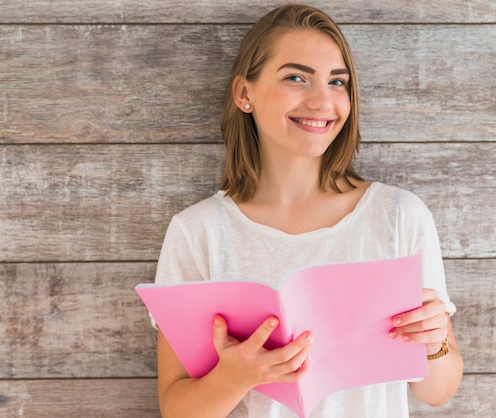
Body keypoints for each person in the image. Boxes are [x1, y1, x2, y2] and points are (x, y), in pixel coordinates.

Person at [153, 4, 463, 417]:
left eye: (337, 82)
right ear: (245, 94)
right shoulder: (199, 232)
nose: (322, 101)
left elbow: (437, 391)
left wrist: (436, 338)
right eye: (296, 78)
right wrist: (235, 377)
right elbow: (178, 410)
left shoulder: (399, 216)